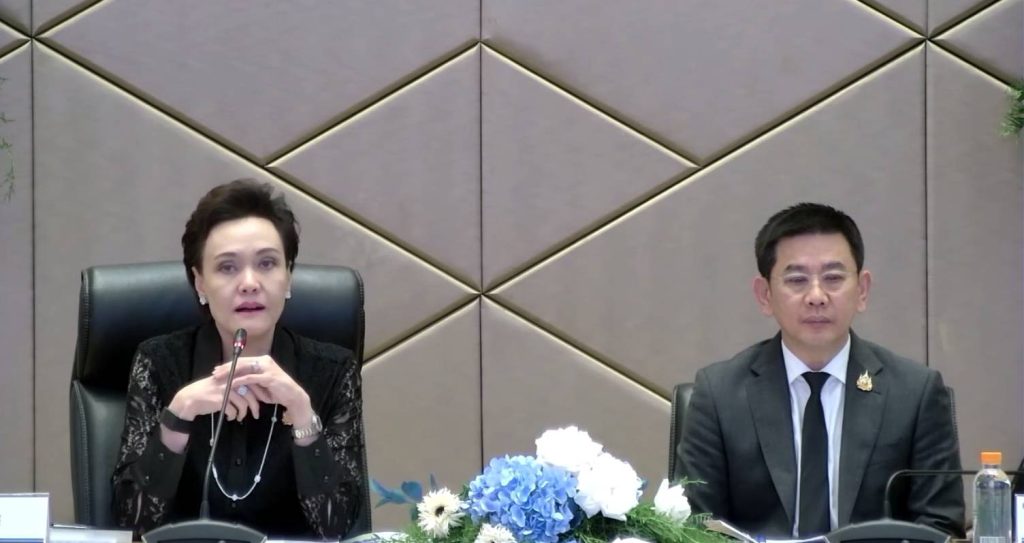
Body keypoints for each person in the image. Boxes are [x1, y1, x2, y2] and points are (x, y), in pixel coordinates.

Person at [678, 203, 965, 538]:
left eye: (833, 278)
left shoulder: (914, 393)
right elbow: (693, 526)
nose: (816, 296)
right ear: (765, 295)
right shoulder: (719, 394)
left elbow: (939, 527)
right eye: (797, 280)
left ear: (862, 290)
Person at [111, 179, 364, 538]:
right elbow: (130, 524)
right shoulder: (158, 363)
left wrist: (302, 413)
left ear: (289, 277)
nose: (249, 283)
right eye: (227, 267)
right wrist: (179, 413)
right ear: (200, 283)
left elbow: (336, 529)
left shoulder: (333, 372)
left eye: (267, 263)